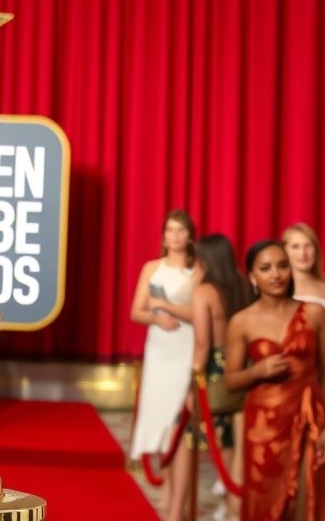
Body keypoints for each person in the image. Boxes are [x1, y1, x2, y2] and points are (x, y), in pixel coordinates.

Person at [224, 240, 325, 521]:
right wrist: (256, 372)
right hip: (263, 424)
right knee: (265, 503)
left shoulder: (314, 313)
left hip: (309, 414)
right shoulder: (241, 321)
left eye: (282, 266)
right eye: (266, 268)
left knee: (307, 498)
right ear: (252, 276)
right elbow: (230, 381)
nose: (276, 274)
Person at [128, 209, 196, 514]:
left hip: (187, 347)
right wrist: (157, 318)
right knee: (159, 421)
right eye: (170, 230)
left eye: (181, 230)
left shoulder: (199, 271)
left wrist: (166, 306)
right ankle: (168, 495)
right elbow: (136, 311)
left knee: (177, 425)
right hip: (159, 350)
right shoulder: (152, 267)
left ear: (190, 235)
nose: (175, 236)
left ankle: (176, 503)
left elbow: (201, 313)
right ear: (163, 235)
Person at [183, 233, 250, 521]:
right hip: (245, 367)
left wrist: (191, 386)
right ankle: (235, 509)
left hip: (215, 372)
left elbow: (202, 345)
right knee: (239, 451)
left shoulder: (204, 292)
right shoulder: (245, 286)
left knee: (221, 449)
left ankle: (232, 511)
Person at [283, 223, 325, 327]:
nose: (302, 253)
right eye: (295, 246)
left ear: (316, 250)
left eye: (308, 246)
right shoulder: (279, 290)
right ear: (284, 251)